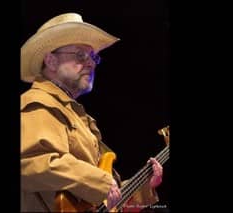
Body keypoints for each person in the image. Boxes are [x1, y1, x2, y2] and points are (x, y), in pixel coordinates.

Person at [21, 13, 163, 212]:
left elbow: (98, 196)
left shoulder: (79, 116)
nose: (91, 63)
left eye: (93, 56)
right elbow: (32, 163)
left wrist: (145, 187)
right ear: (51, 61)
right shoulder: (38, 102)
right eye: (80, 55)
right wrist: (101, 183)